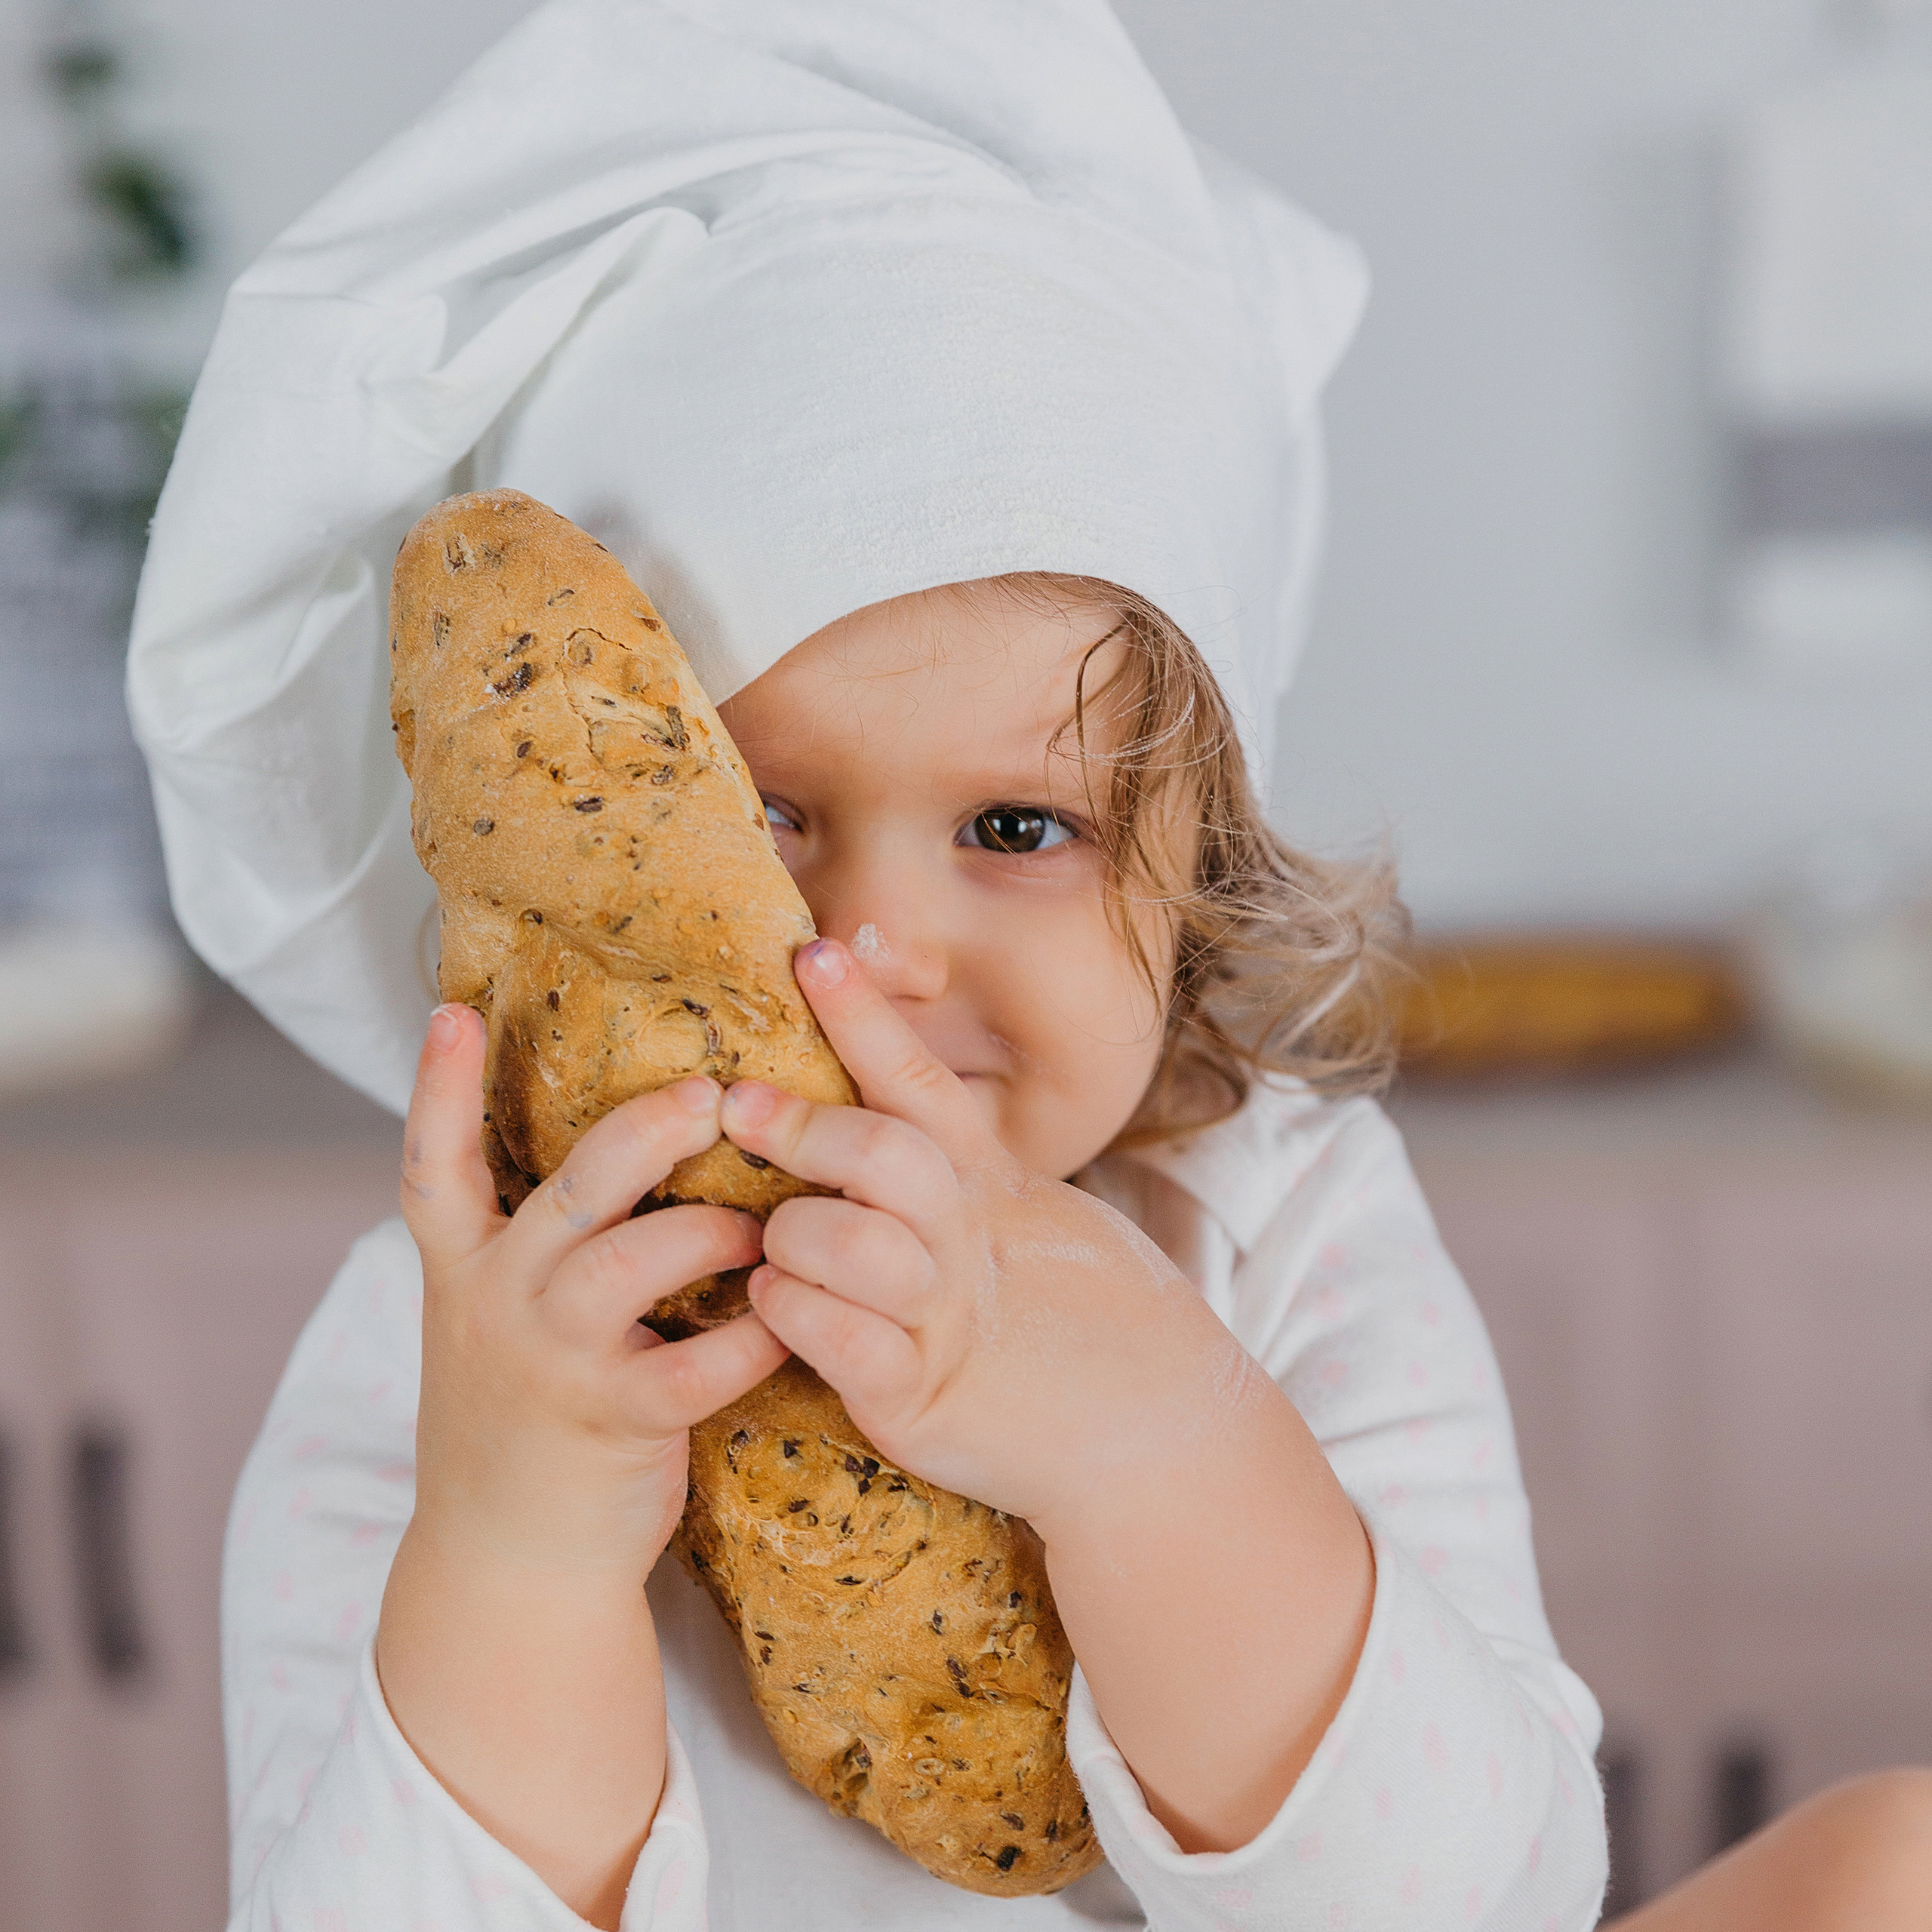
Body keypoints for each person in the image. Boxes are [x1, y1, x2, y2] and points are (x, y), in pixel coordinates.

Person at [125, 4, 1929, 1928]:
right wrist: (519, 1545)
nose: (870, 950)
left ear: (1198, 891)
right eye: (761, 818)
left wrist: (1151, 1437)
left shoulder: (1276, 1228)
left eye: (1015, 829)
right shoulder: (454, 1347)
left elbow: (1473, 1893)